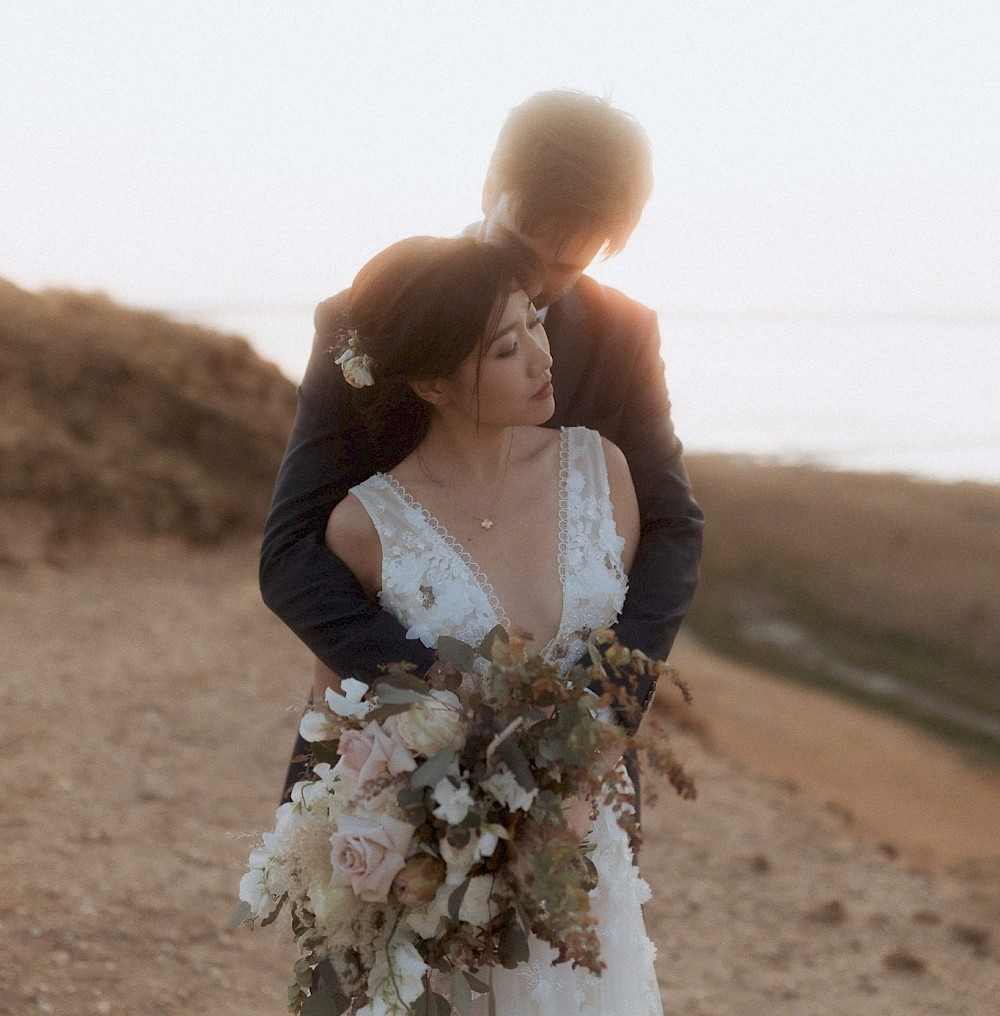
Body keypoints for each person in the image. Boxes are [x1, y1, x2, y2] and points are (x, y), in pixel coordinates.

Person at [260, 90, 704, 810]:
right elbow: (290, 554)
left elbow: (674, 525)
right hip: (395, 745)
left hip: (574, 757)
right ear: (492, 185)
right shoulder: (368, 320)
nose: (536, 284)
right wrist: (446, 702)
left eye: (567, 267)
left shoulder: (624, 334)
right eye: (526, 251)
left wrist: (598, 708)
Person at [320, 233, 664, 1015]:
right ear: (433, 384)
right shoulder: (366, 529)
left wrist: (578, 793)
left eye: (536, 324)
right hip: (448, 883)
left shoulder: (600, 470)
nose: (544, 358)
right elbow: (338, 730)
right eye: (508, 348)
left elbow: (622, 658)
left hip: (586, 865)